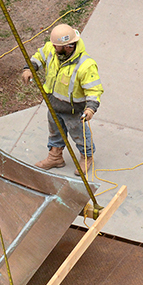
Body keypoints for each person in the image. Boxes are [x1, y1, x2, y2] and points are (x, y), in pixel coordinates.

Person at [20, 23, 104, 175]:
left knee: (79, 134)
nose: (53, 47)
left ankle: (87, 157)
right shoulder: (53, 49)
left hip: (73, 110)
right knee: (55, 132)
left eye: (57, 46)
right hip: (54, 105)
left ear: (69, 46)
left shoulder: (85, 65)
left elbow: (94, 89)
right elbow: (39, 56)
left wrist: (91, 108)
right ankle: (55, 157)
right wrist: (29, 67)